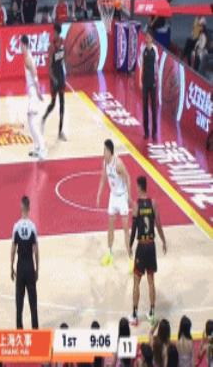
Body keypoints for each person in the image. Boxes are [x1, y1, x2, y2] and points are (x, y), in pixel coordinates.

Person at [128, 175, 167, 326]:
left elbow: (134, 229)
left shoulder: (136, 205)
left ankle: (134, 315)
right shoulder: (153, 203)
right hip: (151, 246)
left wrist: (130, 245)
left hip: (142, 246)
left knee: (136, 281)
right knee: (151, 282)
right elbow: (158, 224)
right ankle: (151, 313)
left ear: (139, 187)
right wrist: (163, 240)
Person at [96, 139, 132, 267]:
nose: (103, 152)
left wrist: (129, 196)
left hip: (122, 197)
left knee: (125, 229)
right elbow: (103, 179)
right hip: (113, 197)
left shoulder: (118, 164)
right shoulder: (105, 163)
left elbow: (128, 178)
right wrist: (99, 195)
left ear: (110, 151)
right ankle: (109, 254)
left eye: (105, 150)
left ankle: (130, 259)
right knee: (110, 227)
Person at [10, 196, 39, 329]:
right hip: (29, 266)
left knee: (19, 303)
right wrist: (37, 269)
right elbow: (36, 251)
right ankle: (35, 331)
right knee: (33, 303)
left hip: (20, 267)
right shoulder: (32, 227)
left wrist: (11, 267)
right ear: (29, 208)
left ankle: (19, 330)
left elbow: (13, 249)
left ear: (21, 208)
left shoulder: (16, 226)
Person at [21, 34, 45, 160]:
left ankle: (42, 148)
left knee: (32, 122)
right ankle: (36, 147)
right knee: (30, 120)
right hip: (32, 91)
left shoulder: (28, 59)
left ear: (24, 45)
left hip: (33, 92)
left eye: (21, 45)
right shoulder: (28, 56)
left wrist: (38, 91)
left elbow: (35, 74)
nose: (20, 47)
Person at [41, 23, 66, 141]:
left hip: (61, 75)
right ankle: (44, 117)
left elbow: (64, 57)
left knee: (62, 104)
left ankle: (60, 132)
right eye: (53, 32)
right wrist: (53, 79)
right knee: (53, 103)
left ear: (58, 33)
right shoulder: (51, 47)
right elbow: (49, 67)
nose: (53, 34)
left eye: (55, 32)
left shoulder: (63, 42)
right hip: (54, 77)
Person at [139, 29, 159, 141]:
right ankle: (146, 131)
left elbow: (156, 65)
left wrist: (157, 79)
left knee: (154, 108)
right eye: (146, 36)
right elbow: (141, 65)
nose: (146, 38)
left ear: (152, 39)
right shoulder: (143, 49)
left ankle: (154, 132)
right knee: (145, 107)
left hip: (153, 82)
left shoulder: (155, 50)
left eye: (148, 37)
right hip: (145, 82)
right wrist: (140, 81)